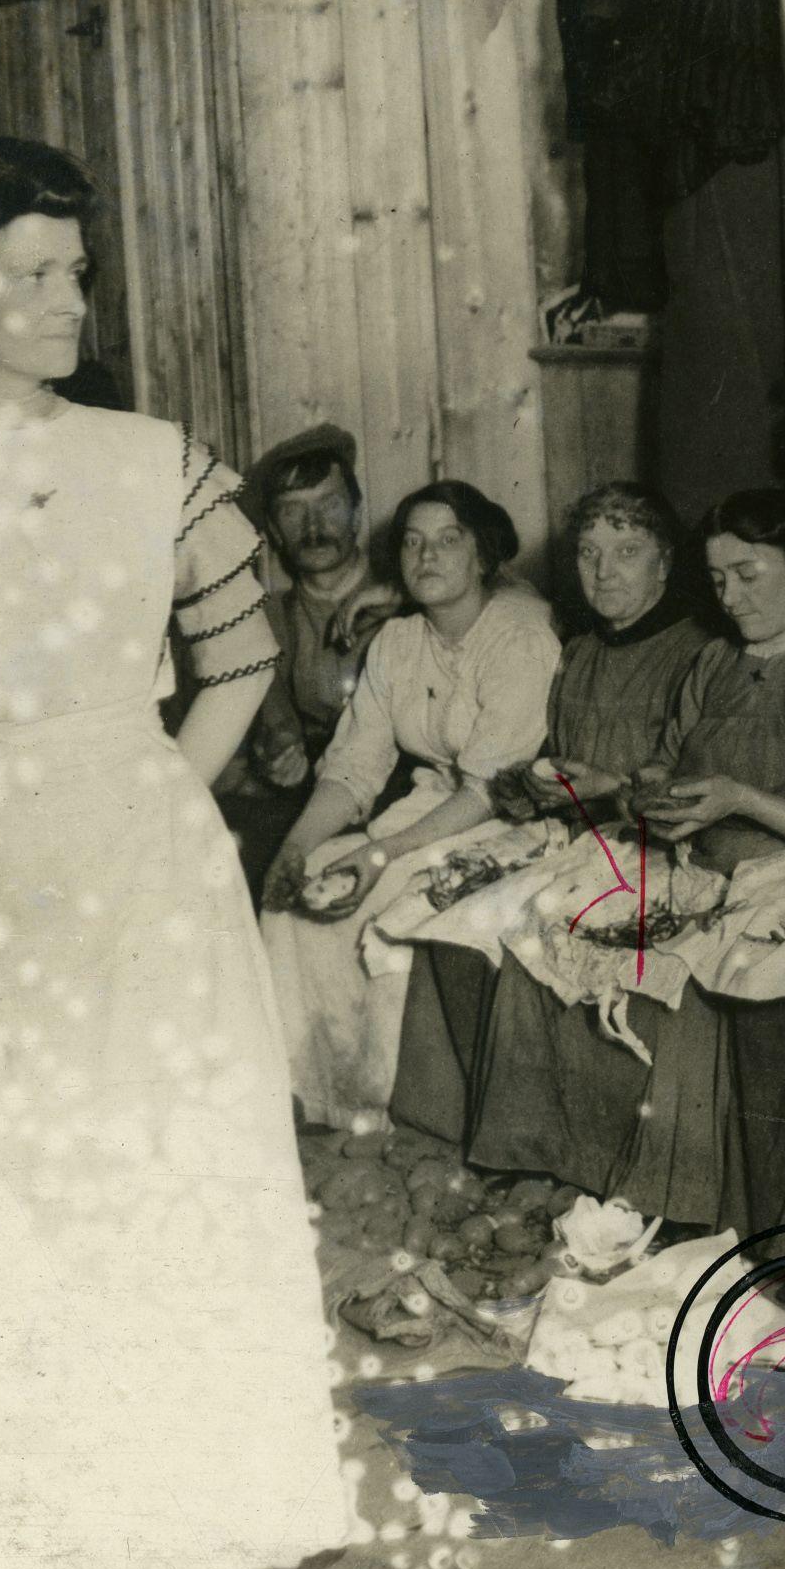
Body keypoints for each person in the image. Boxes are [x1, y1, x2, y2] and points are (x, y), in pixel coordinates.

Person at [0, 134, 346, 1569]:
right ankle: (31, 1504)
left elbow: (241, 655)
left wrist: (157, 787)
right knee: (8, 1153)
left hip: (148, 843)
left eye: (78, 273)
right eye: (27, 272)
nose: (67, 301)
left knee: (172, 1151)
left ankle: (213, 1495)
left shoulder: (149, 454)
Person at [416, 483, 722, 1222]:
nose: (603, 572)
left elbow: (691, 788)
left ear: (664, 565)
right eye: (587, 554)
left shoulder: (698, 655)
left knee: (555, 939)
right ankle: (535, 1159)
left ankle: (623, 1179)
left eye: (625, 553)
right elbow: (557, 762)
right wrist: (534, 789)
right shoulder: (578, 654)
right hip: (585, 841)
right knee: (473, 924)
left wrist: (612, 792)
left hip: (666, 849)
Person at [627, 490, 785, 1241]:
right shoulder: (714, 659)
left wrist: (739, 799)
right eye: (716, 581)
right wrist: (647, 789)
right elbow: (671, 764)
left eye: (748, 575)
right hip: (708, 884)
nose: (730, 598)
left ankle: (759, 1236)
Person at [259, 480, 562, 1129]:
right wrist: (297, 846)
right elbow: (354, 766)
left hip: (509, 824)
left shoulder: (520, 636)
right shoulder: (397, 642)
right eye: (413, 542)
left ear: (482, 555)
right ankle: (316, 1102)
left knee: (388, 895)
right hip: (422, 814)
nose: (427, 556)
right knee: (292, 900)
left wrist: (378, 853)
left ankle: (390, 1110)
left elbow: (488, 788)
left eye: (448, 541)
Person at [212, 425, 401, 892]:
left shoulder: (416, 588)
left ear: (357, 513)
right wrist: (272, 760)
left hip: (407, 804)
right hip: (326, 805)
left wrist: (407, 594)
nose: (314, 527)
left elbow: (515, 604)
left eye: (329, 505)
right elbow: (251, 741)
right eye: (293, 512)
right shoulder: (268, 620)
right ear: (274, 531)